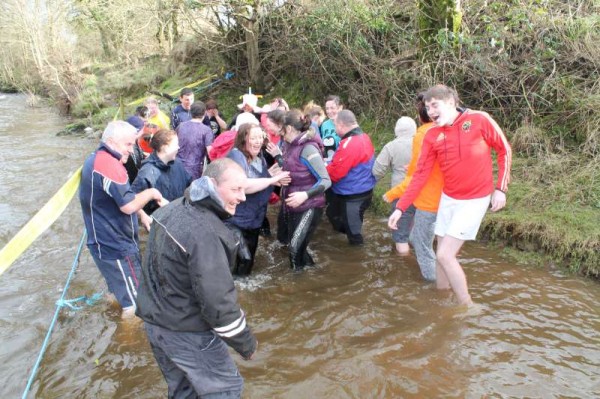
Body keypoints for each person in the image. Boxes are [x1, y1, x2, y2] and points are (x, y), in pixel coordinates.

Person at [136, 158, 257, 398]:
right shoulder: (207, 234)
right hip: (188, 332)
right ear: (211, 184)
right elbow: (218, 303)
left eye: (244, 189)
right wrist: (246, 344)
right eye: (236, 189)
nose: (242, 197)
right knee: (227, 389)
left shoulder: (169, 210)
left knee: (183, 390)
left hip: (155, 323)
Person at [388, 84, 512, 305]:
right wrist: (401, 207)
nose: (430, 111)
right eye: (427, 107)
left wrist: (501, 188)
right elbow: (420, 175)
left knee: (445, 255)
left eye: (434, 105)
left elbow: (504, 149)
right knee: (440, 253)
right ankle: (441, 297)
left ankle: (467, 306)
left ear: (452, 102)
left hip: (475, 198)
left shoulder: (479, 119)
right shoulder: (432, 134)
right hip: (449, 198)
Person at [79, 121, 165, 319]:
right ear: (111, 141)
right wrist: (152, 192)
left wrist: (142, 214)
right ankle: (127, 345)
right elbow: (127, 205)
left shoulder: (99, 158)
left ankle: (113, 311)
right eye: (128, 144)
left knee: (119, 293)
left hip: (106, 242)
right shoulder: (109, 165)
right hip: (115, 245)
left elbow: (119, 197)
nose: (132, 149)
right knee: (135, 308)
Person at [384, 94, 442, 282]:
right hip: (450, 198)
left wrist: (392, 195)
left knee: (421, 245)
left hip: (428, 200)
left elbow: (417, 176)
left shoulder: (422, 135)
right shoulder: (446, 129)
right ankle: (446, 282)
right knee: (440, 247)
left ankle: (435, 289)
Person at [226, 123, 290, 276]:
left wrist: (270, 175)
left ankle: (242, 291)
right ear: (243, 139)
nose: (257, 141)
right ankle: (231, 292)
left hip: (254, 220)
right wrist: (271, 180)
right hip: (234, 220)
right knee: (244, 259)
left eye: (260, 137)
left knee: (248, 264)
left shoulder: (259, 158)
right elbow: (243, 185)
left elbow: (258, 178)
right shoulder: (236, 156)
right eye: (253, 138)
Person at [272, 110, 331, 270]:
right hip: (292, 203)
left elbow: (326, 180)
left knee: (294, 249)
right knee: (296, 247)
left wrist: (305, 195)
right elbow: (293, 167)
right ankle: (314, 274)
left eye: (280, 127)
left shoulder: (308, 149)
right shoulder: (288, 144)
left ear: (289, 128)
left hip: (310, 205)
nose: (277, 130)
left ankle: (297, 288)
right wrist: (278, 160)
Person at [326, 110, 377, 246]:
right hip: (362, 190)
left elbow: (335, 173)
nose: (335, 129)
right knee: (333, 214)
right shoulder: (364, 136)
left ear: (342, 125)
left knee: (354, 236)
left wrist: (321, 171)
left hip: (353, 195)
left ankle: (357, 261)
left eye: (335, 126)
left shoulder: (350, 143)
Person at [372, 116, 417, 255]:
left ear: (396, 131)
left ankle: (404, 265)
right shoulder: (423, 143)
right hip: (424, 192)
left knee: (400, 236)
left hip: (401, 193)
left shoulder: (391, 146)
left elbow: (377, 171)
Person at [131, 129, 192, 218]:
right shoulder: (147, 172)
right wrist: (144, 216)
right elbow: (132, 200)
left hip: (178, 216)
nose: (179, 147)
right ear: (165, 148)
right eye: (176, 144)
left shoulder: (178, 164)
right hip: (159, 221)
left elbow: (189, 184)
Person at [176, 101, 214, 180]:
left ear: (190, 112)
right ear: (205, 113)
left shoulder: (181, 126)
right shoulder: (206, 130)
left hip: (178, 166)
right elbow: (210, 152)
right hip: (195, 169)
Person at [124, 105, 149, 183]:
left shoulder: (135, 141)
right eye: (142, 130)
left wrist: (145, 156)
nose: (143, 132)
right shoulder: (128, 149)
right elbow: (133, 170)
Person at [320, 95, 343, 161]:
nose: (329, 111)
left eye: (332, 108)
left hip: (342, 161)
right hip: (328, 162)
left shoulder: (346, 124)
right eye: (327, 108)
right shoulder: (324, 125)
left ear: (340, 108)